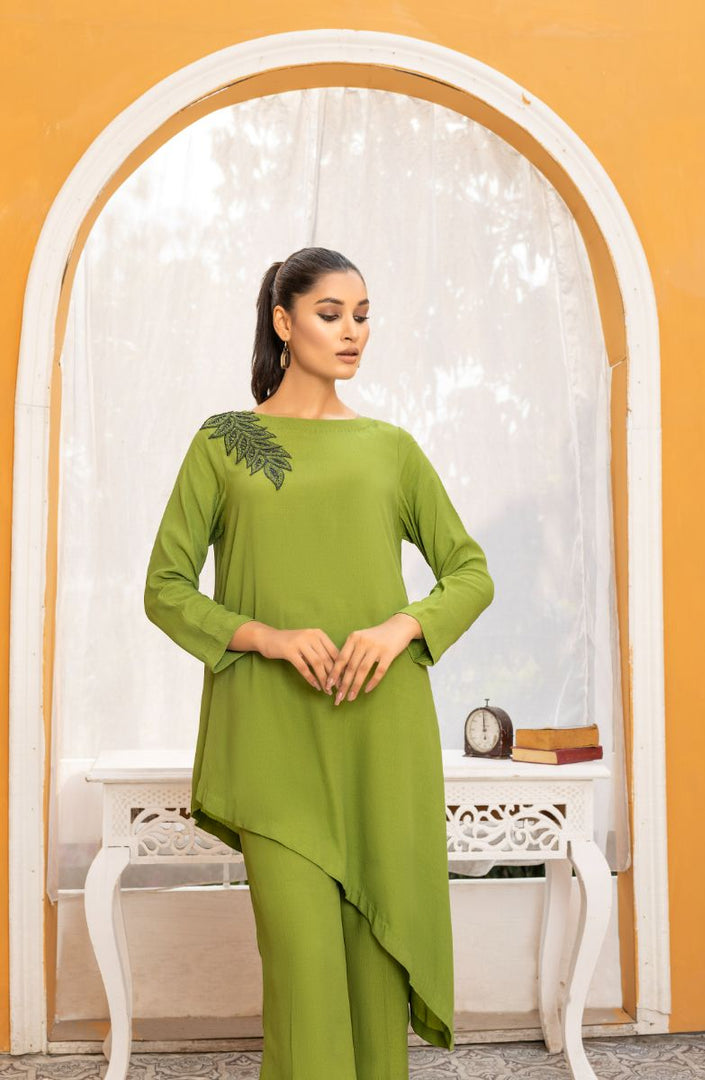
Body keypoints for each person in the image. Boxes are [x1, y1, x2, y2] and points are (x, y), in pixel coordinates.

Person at [144, 245, 495, 1079]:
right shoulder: (226, 441)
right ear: (283, 320)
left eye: (363, 316)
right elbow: (165, 588)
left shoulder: (389, 448)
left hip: (381, 735)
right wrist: (264, 636)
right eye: (331, 314)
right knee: (304, 980)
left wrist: (401, 628)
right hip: (273, 739)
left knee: (374, 974)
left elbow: (469, 572)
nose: (352, 333)